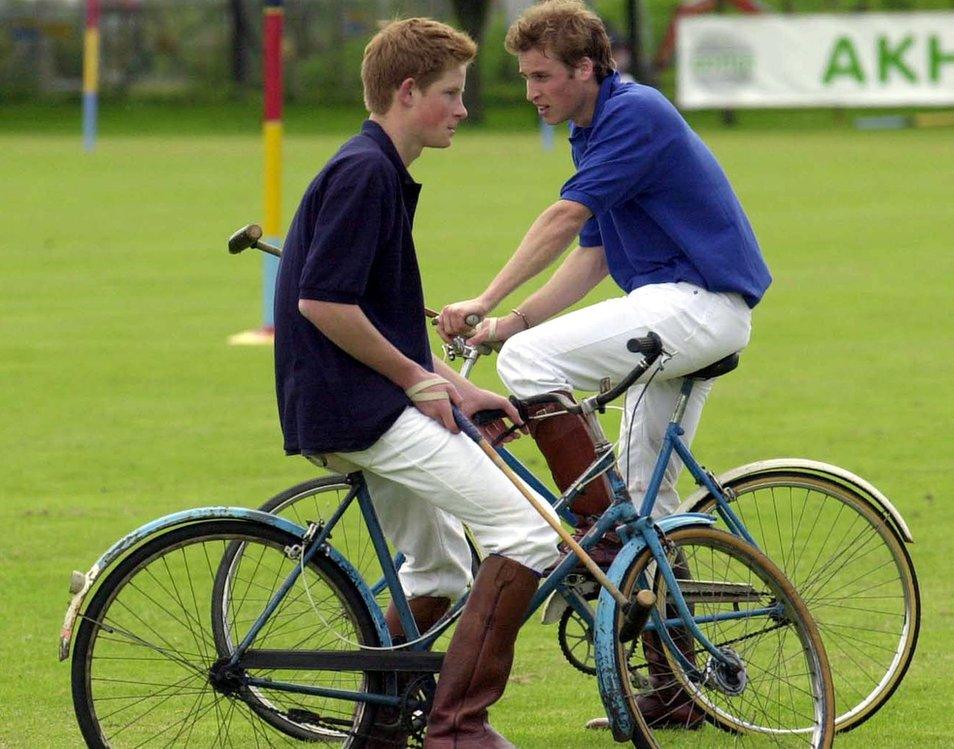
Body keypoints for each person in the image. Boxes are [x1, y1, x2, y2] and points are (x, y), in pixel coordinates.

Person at [437, 0, 771, 730]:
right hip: (677, 306)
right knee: (649, 502)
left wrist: (489, 299)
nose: (532, 92)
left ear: (587, 68)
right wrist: (509, 321)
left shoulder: (635, 115)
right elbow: (594, 253)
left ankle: (602, 536)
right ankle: (680, 687)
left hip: (698, 302)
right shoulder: (594, 132)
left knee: (532, 363)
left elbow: (565, 220)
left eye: (542, 76)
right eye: (525, 77)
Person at [273, 18, 560, 749]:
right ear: (407, 92)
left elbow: (383, 317)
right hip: (358, 407)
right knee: (527, 532)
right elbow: (322, 303)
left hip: (360, 400)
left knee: (440, 563)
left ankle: (379, 724)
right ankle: (457, 728)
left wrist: (457, 388)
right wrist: (418, 382)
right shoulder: (365, 172)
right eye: (450, 93)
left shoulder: (381, 171)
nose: (463, 109)